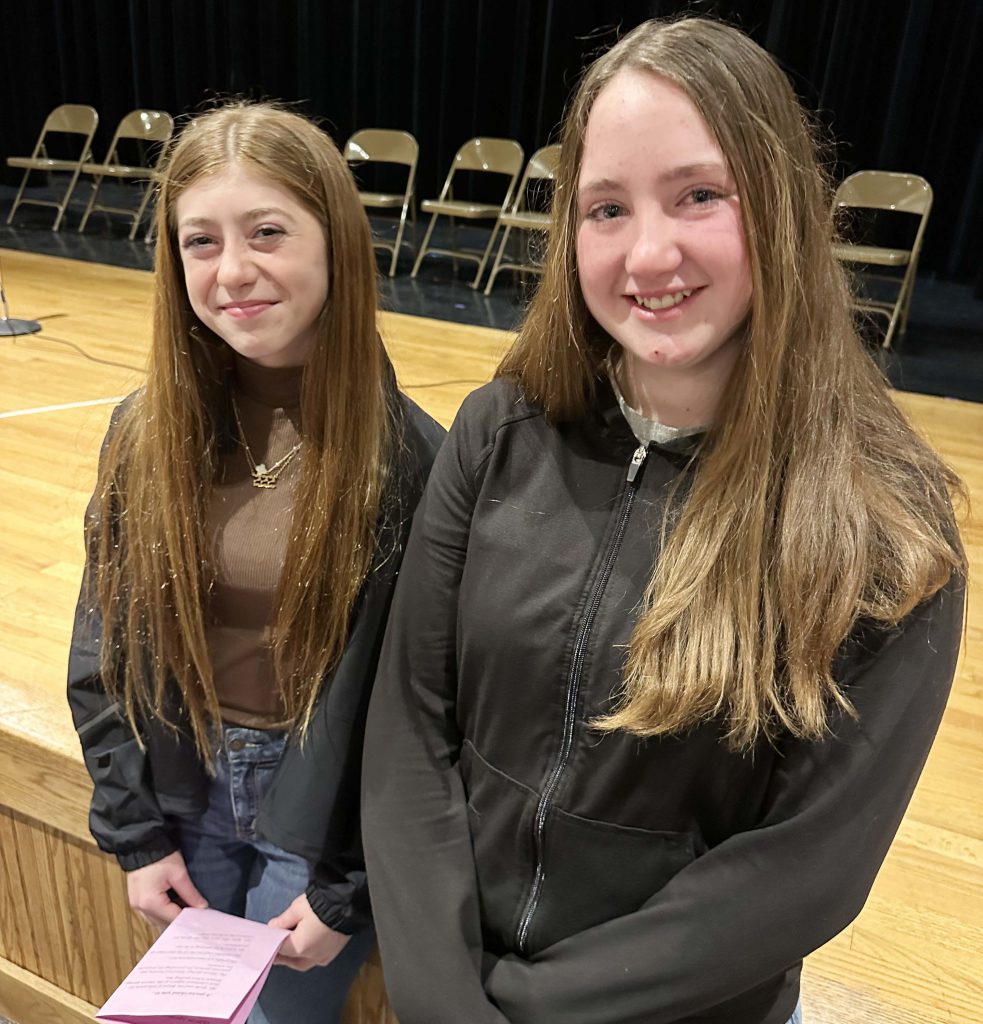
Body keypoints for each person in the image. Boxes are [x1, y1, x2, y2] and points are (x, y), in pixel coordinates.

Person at [361, 16, 965, 1024]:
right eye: (605, 207)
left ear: (775, 203)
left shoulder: (886, 528)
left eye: (696, 195)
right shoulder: (495, 430)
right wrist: (442, 1000)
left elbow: (800, 872)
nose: (648, 251)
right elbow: (408, 733)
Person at [67, 101, 444, 1024]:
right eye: (201, 242)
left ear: (334, 245)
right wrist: (134, 832)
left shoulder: (411, 459)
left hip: (316, 821)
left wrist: (344, 883)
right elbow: (103, 649)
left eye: (267, 232)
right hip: (182, 783)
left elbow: (417, 707)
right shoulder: (143, 433)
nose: (233, 272)